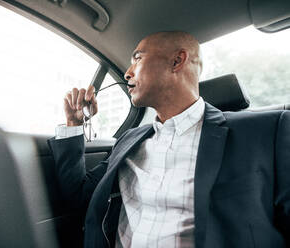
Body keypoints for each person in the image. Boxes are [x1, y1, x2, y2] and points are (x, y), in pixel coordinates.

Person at [48, 31, 290, 248]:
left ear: (177, 61)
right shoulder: (128, 141)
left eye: (137, 58)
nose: (127, 72)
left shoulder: (268, 130)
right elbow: (78, 196)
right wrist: (74, 124)